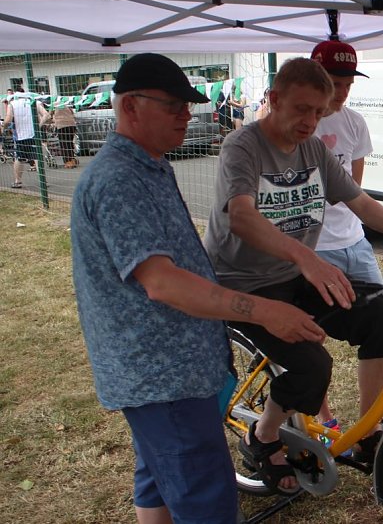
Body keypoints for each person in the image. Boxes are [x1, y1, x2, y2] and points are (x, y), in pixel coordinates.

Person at [70, 53, 320, 523]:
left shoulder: (149, 165)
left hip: (171, 370)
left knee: (157, 477)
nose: (189, 115)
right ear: (130, 107)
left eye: (189, 105)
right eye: (173, 106)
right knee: (205, 498)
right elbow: (161, 282)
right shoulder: (119, 179)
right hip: (163, 378)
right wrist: (262, 310)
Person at [203, 57, 383, 489]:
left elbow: (358, 200)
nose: (311, 121)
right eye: (301, 109)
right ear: (274, 100)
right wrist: (307, 258)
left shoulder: (314, 149)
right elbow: (241, 217)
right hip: (244, 286)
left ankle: (368, 431)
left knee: (381, 314)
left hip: (295, 277)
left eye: (319, 111)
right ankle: (265, 434)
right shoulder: (243, 146)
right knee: (313, 364)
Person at [307, 40, 383, 460]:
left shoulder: (354, 124)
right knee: (313, 343)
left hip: (354, 243)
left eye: (348, 82)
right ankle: (325, 425)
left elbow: (354, 193)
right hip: (313, 252)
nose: (343, 91)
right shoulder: (297, 126)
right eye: (334, 83)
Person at [1, 87, 37, 189]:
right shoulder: (32, 102)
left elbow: (8, 119)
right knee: (36, 156)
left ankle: (18, 181)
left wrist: (3, 125)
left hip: (20, 135)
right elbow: (45, 115)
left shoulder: (12, 104)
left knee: (19, 158)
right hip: (33, 134)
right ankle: (43, 180)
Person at [37, 99, 78, 168]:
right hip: (72, 124)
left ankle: (68, 162)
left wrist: (45, 122)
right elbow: (72, 113)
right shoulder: (66, 103)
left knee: (64, 144)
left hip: (62, 125)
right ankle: (72, 159)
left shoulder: (54, 105)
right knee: (70, 142)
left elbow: (48, 115)